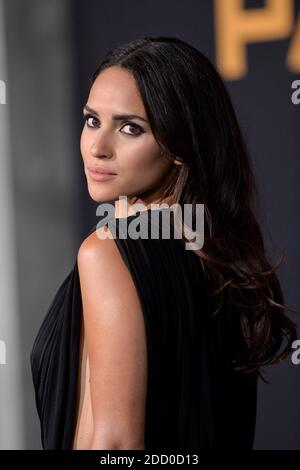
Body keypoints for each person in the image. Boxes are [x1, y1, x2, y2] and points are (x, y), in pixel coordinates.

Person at [30, 36, 297, 450]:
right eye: (91, 120)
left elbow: (115, 446)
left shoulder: (107, 253)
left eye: (130, 128)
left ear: (179, 145)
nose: (97, 148)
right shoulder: (217, 257)